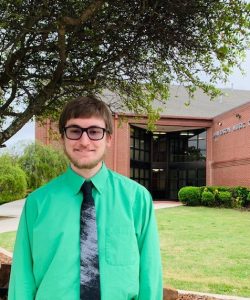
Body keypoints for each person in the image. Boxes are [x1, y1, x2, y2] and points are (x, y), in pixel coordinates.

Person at [8, 95, 163, 300]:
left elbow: (150, 274)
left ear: (108, 139)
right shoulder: (37, 203)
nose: (84, 141)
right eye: (74, 131)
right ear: (63, 137)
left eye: (94, 132)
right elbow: (22, 278)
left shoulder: (137, 199)